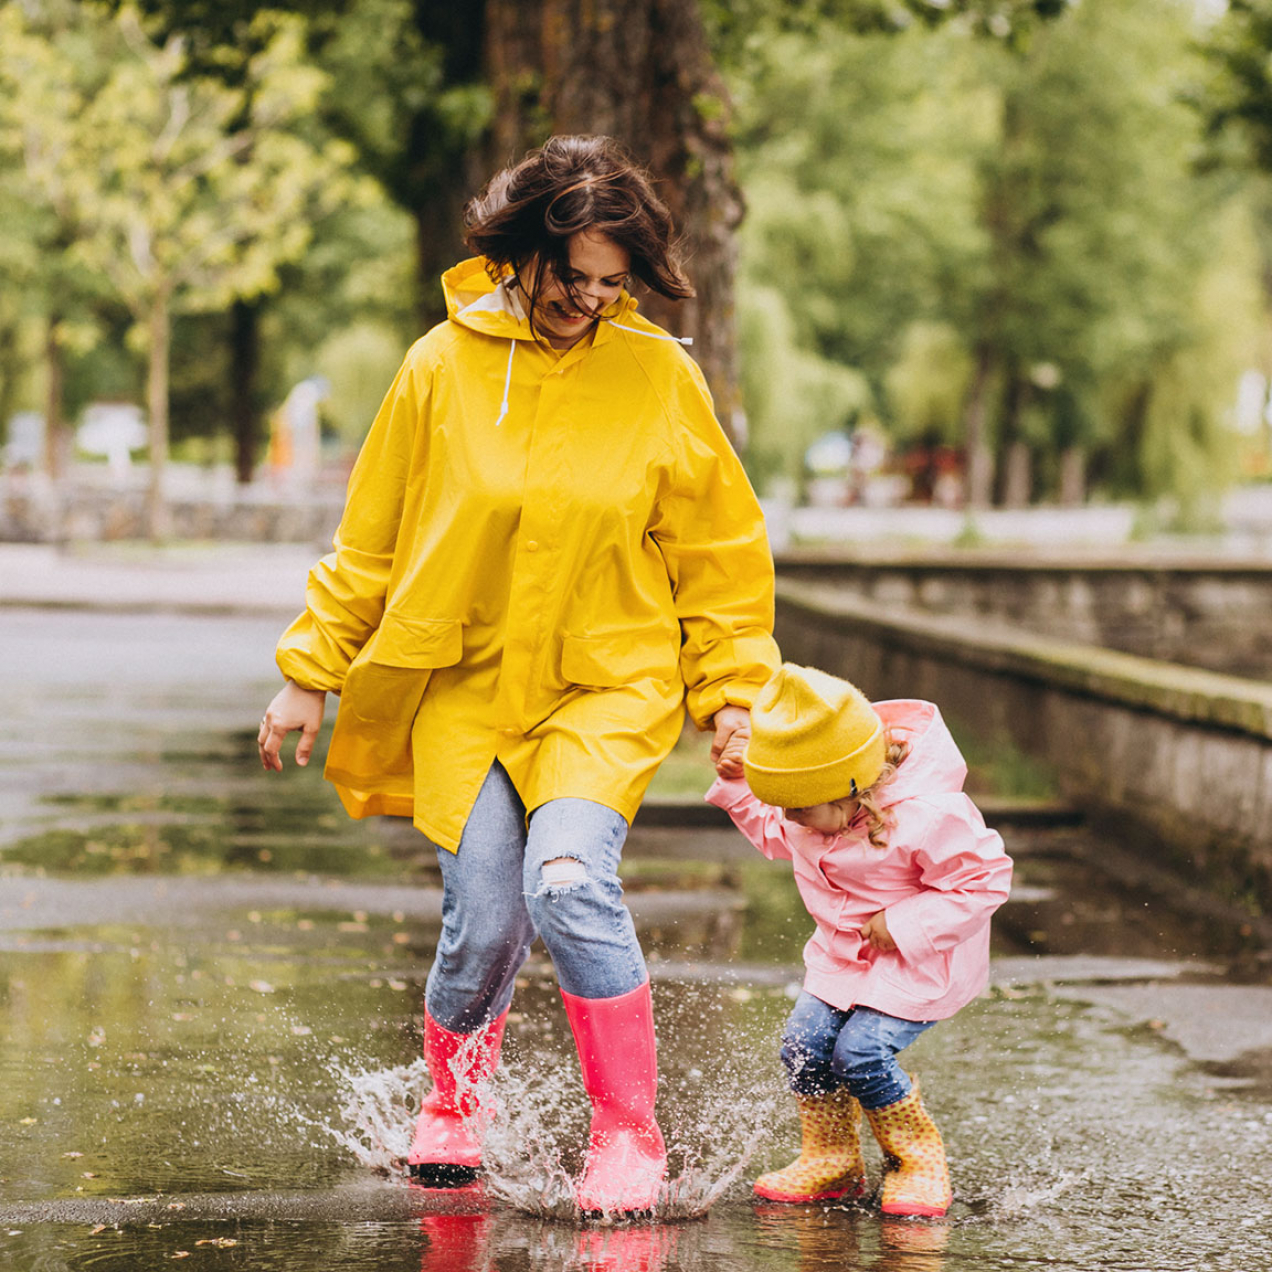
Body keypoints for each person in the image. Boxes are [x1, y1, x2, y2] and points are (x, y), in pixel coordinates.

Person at [257, 134, 780, 1215]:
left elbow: (719, 557)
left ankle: (630, 1136)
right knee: (488, 918)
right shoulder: (436, 369)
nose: (585, 302)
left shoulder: (657, 376)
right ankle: (454, 1101)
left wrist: (729, 695)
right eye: (569, 276)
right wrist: (310, 671)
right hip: (465, 689)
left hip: (604, 685)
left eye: (610, 284)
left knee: (572, 885)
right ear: (518, 252)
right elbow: (372, 543)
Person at [706, 664, 1012, 1218]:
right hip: (841, 958)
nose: (787, 818)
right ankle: (833, 1160)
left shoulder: (927, 815)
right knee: (803, 1047)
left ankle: (917, 1162)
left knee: (860, 1053)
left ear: (850, 788)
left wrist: (905, 923)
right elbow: (774, 828)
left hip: (918, 960)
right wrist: (735, 781)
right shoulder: (808, 808)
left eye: (798, 806)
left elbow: (984, 879)